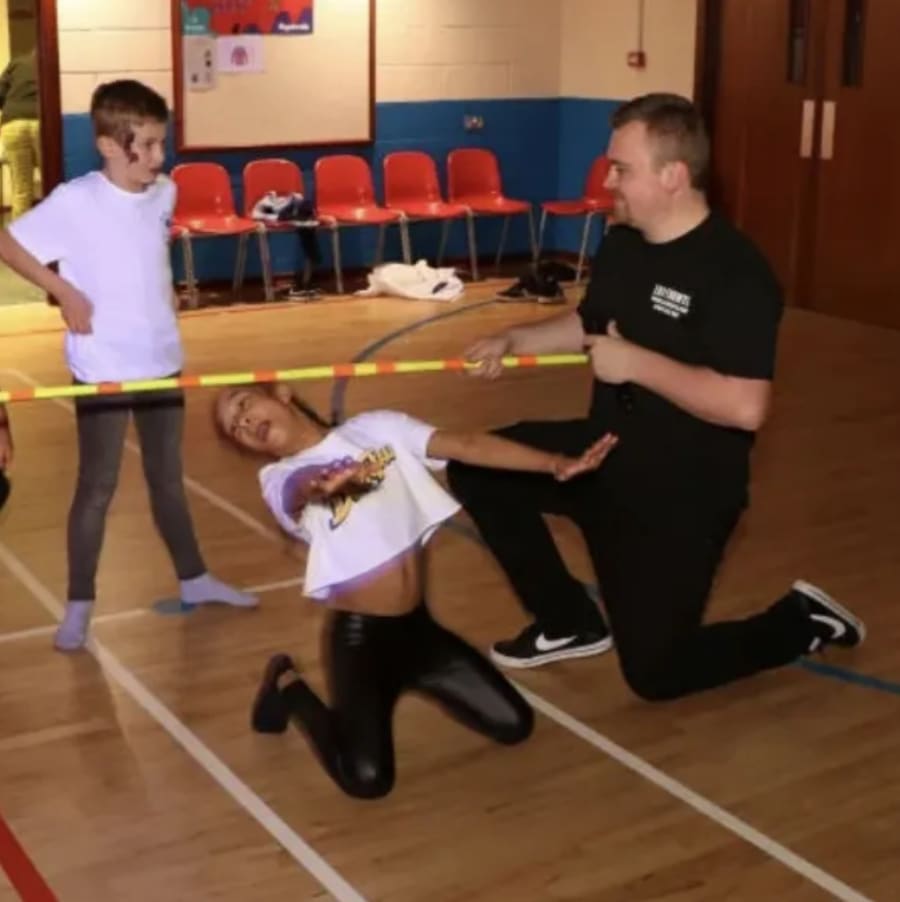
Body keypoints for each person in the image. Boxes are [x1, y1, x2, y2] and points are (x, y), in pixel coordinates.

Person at [447, 93, 865, 699]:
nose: (608, 181)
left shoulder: (736, 273)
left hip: (681, 494)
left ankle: (801, 621)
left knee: (656, 674)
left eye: (622, 169)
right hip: (602, 454)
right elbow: (591, 323)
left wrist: (637, 364)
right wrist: (516, 337)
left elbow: (746, 406)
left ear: (673, 175)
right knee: (478, 467)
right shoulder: (624, 243)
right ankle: (569, 621)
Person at [214, 383, 618, 798]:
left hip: (420, 632)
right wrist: (321, 484)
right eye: (235, 427)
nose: (243, 421)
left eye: (244, 404)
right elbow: (298, 491)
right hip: (361, 641)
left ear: (281, 393)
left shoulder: (376, 428)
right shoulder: (277, 479)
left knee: (515, 725)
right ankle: (287, 684)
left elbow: (466, 445)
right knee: (367, 779)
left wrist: (554, 463)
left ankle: (420, 674)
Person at [0, 79, 256, 652]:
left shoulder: (164, 193)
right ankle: (79, 605)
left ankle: (194, 579)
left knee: (168, 479)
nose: (160, 157)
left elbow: (144, 256)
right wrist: (64, 292)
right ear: (110, 146)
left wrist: (163, 296)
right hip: (104, 368)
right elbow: (9, 245)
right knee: (97, 486)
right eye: (148, 145)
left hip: (161, 359)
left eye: (163, 143)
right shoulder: (76, 201)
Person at [0, 48, 41, 220]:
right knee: (52, 182)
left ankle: (20, 234)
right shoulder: (50, 64)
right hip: (41, 122)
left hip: (13, 124)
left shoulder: (16, 63)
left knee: (21, 189)